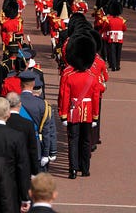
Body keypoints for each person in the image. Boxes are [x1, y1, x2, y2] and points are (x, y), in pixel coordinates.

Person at [59, 35, 102, 179]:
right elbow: (96, 98)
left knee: (73, 140)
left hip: (73, 111)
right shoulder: (92, 77)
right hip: (88, 111)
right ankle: (85, 169)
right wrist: (95, 116)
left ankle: (72, 169)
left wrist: (63, 114)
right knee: (86, 140)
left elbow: (65, 96)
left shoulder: (69, 76)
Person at [0, 97, 31, 213]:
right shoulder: (17, 137)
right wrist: (25, 196)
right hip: (11, 190)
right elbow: (22, 168)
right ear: (8, 114)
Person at [19, 71, 56, 172]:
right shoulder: (42, 104)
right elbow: (46, 131)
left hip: (17, 145)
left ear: (20, 84)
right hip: (37, 146)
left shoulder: (13, 101)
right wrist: (46, 153)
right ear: (33, 84)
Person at [6, 92, 40, 176]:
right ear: (20, 104)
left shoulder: (3, 122)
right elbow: (32, 149)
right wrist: (35, 171)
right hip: (23, 168)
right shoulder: (28, 124)